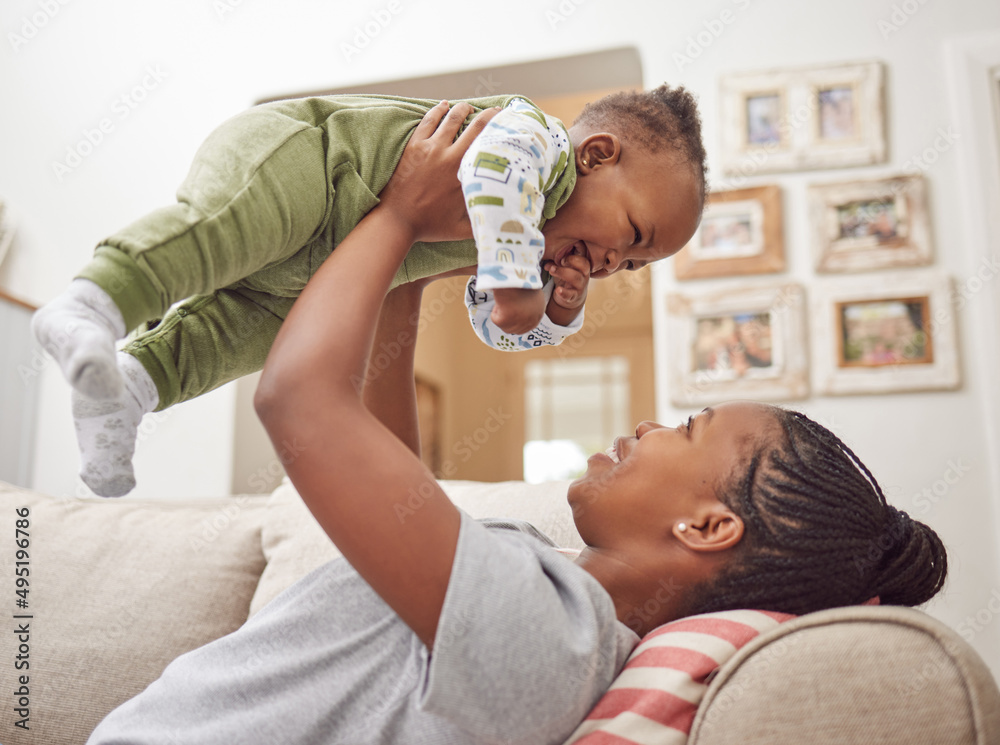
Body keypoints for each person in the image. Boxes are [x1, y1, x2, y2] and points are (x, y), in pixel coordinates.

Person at [85, 101, 947, 745]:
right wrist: (419, 264)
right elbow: (390, 471)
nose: (648, 425)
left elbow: (298, 401)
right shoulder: (549, 597)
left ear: (709, 524)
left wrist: (397, 219)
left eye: (684, 430)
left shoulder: (552, 639)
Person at [31, 85, 706, 497]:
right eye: (634, 231)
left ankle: (131, 388)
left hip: (322, 259)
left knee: (240, 335)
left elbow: (491, 321)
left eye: (637, 264)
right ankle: (92, 303)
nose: (619, 260)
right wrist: (516, 275)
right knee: (214, 237)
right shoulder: (536, 145)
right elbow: (496, 179)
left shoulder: (518, 236)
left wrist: (556, 310)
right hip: (310, 164)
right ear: (595, 155)